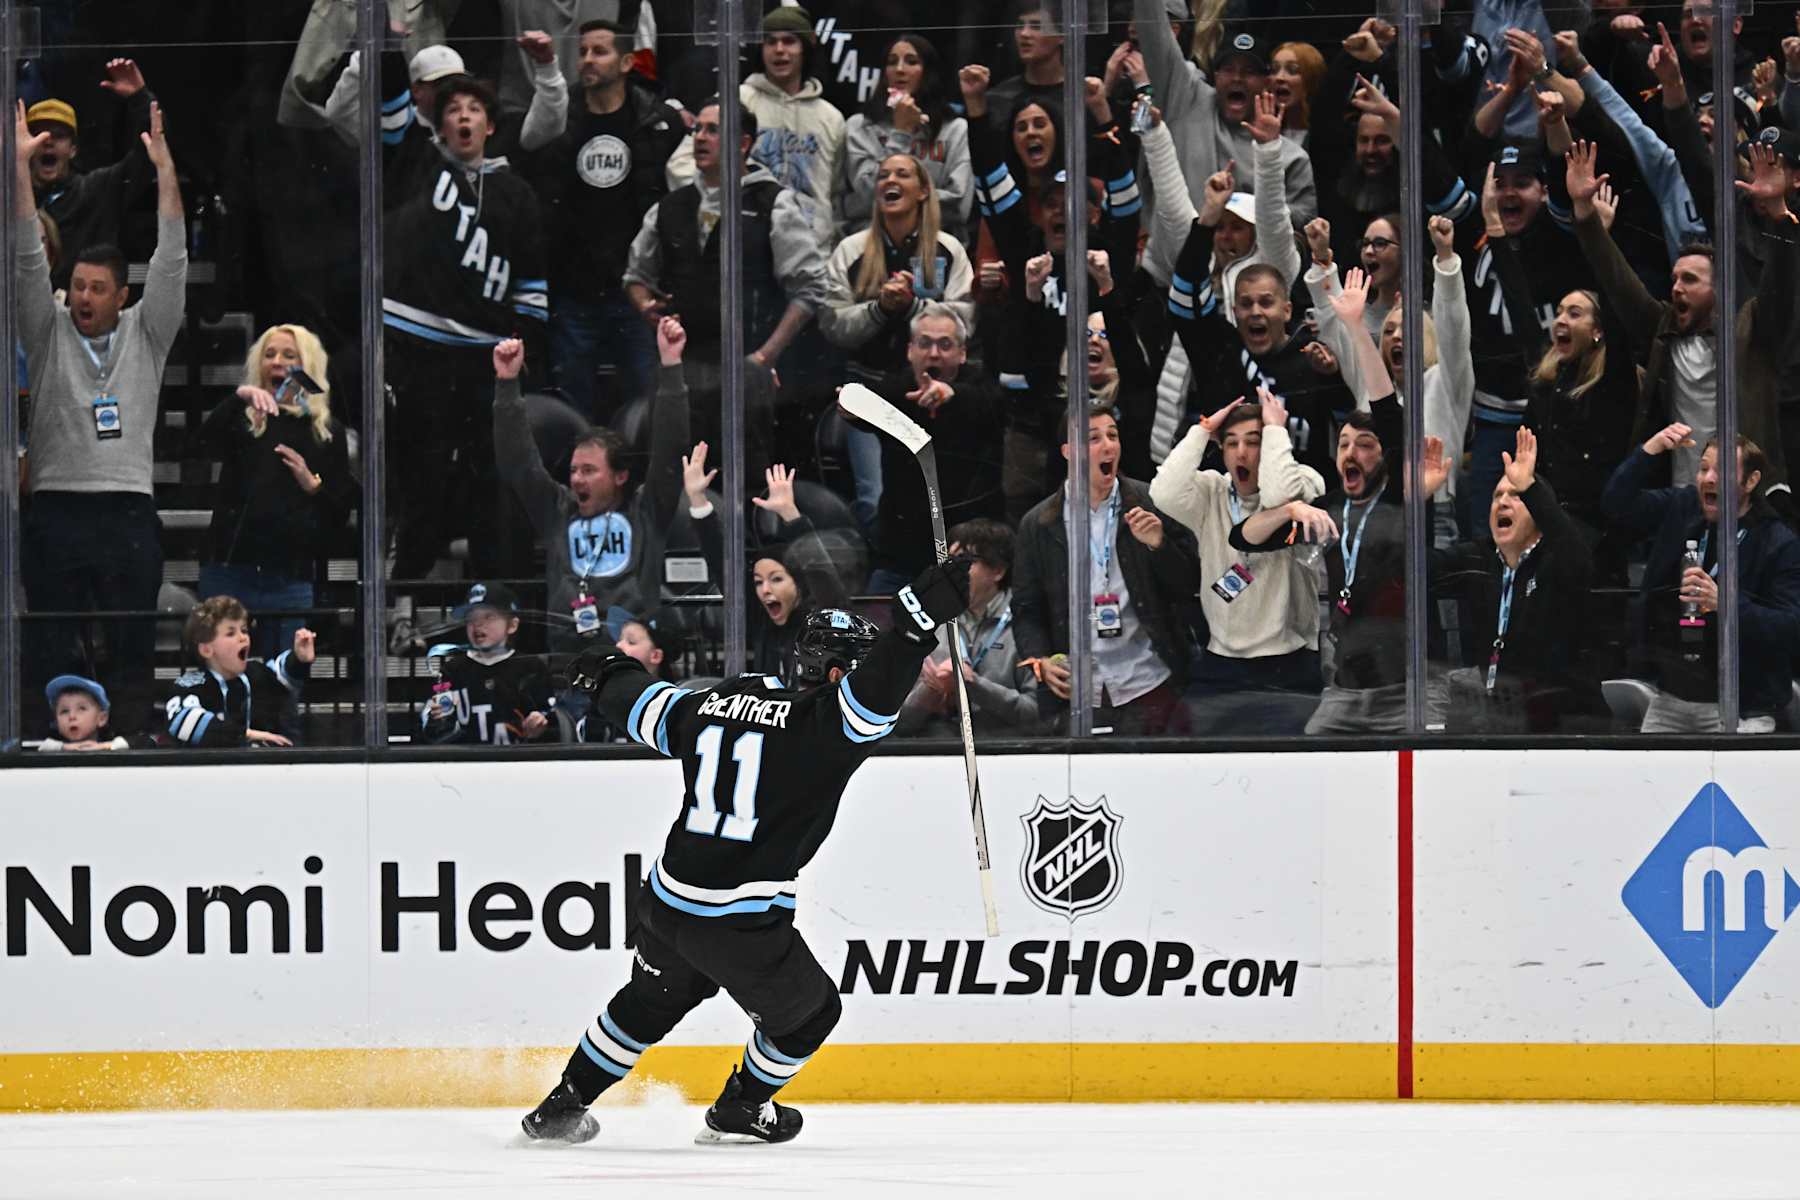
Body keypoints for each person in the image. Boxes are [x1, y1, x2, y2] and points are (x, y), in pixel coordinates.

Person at [519, 559, 972, 1146]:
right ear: (837, 675)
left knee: (651, 1000)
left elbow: (645, 704)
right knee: (812, 1016)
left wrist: (609, 675)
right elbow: (877, 692)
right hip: (735, 919)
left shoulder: (719, 700)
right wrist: (913, 626)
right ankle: (742, 1105)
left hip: (664, 902)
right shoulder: (823, 731)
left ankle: (562, 1104)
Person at [15, 97, 185, 737]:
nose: (82, 296)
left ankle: (131, 740)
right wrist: (18, 169)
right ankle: (49, 741)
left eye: (96, 288)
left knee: (132, 643)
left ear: (122, 296)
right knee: (53, 641)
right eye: (77, 285)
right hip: (56, 507)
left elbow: (172, 256)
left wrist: (165, 166)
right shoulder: (47, 326)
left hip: (126, 509)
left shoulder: (149, 332)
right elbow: (27, 256)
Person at [379, 55, 547, 584]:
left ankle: (492, 595)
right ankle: (403, 588)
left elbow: (531, 284)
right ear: (441, 122)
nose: (465, 118)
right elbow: (389, 105)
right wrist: (389, 37)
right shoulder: (417, 166)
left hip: (486, 359)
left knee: (490, 479)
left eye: (476, 109)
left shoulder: (517, 194)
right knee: (421, 472)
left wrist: (524, 355)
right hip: (419, 350)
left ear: (491, 125)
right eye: (454, 109)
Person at [1568, 139, 1793, 498]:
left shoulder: (1752, 327)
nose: (1676, 288)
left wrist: (1779, 212)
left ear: (1720, 288)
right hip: (1682, 499)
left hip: (1747, 498)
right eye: (1674, 279)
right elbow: (1617, 280)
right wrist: (1584, 212)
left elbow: (1782, 283)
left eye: (1689, 280)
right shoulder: (1663, 329)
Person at [624, 97, 827, 464]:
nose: (700, 138)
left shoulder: (774, 204)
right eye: (697, 129)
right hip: (680, 369)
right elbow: (635, 276)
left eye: (713, 130)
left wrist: (764, 358)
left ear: (743, 143)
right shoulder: (671, 206)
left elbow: (809, 289)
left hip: (744, 369)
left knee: (744, 481)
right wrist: (645, 307)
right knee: (672, 476)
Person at [490, 322, 690, 656]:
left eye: (589, 470)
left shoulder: (647, 510)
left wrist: (671, 368)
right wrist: (507, 385)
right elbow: (519, 464)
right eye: (573, 470)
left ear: (620, 476)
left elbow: (671, 449)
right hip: (570, 658)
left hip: (629, 655)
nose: (577, 479)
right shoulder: (558, 512)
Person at [526, 19, 686, 423]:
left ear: (628, 61)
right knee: (573, 416)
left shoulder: (656, 121)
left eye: (600, 51)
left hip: (635, 295)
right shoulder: (563, 117)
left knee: (649, 414)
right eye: (582, 52)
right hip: (574, 293)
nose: (587, 61)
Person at [1013, 402, 1199, 736]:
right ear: (1068, 451)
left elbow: (1187, 586)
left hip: (1149, 680)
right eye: (1093, 438)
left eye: (1112, 435)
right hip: (1078, 691)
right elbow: (1026, 610)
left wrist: (1159, 546)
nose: (1108, 445)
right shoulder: (1039, 524)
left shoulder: (1151, 501)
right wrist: (1040, 661)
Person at [1601, 425, 1800, 733]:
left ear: (1751, 481)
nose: (1708, 478)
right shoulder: (1683, 508)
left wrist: (1726, 604)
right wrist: (1651, 450)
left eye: (1721, 471)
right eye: (1704, 468)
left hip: (1741, 704)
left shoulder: (1778, 542)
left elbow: (1789, 626)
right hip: (1673, 696)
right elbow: (1616, 504)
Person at [1150, 389, 1327, 720]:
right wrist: (1203, 430)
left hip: (1287, 660)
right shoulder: (1209, 492)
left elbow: (1279, 496)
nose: (1242, 453)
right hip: (1222, 660)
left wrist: (1275, 428)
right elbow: (1162, 492)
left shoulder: (1304, 480)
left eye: (1254, 441)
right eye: (1231, 443)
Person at [1420, 429, 1608, 733]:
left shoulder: (1555, 558)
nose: (1503, 502)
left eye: (1516, 496)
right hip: (1504, 721)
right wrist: (1417, 503)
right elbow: (1414, 571)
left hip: (1570, 727)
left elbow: (1577, 559)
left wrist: (1531, 489)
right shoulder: (1479, 557)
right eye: (1497, 496)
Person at [194, 324, 354, 661]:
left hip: (289, 577)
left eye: (288, 355)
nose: (277, 361)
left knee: (282, 684)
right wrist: (239, 397)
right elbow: (198, 446)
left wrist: (313, 485)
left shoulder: (325, 432)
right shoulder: (242, 419)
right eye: (269, 354)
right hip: (230, 570)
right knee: (221, 681)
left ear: (306, 364)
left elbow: (339, 514)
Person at [665, 6, 847, 240]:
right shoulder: (734, 100)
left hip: (811, 249)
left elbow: (836, 197)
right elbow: (680, 166)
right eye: (770, 42)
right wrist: (718, 207)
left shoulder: (831, 118)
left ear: (805, 48)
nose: (779, 50)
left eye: (789, 41)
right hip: (745, 246)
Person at [1130, 1, 1317, 225]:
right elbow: (1155, 36)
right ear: (1215, 76)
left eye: (1249, 72)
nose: (1237, 78)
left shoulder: (1290, 157)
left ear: (1266, 83)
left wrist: (1245, 208)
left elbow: (1306, 223)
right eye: (1228, 69)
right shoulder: (1189, 101)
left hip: (1253, 258)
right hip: (1179, 256)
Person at [860, 304, 1002, 592]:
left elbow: (994, 405)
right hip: (900, 554)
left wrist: (953, 395)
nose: (934, 353)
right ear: (910, 350)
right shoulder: (896, 388)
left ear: (962, 353)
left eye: (945, 345)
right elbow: (861, 405)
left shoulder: (981, 389)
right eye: (925, 344)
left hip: (965, 556)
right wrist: (849, 404)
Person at [898, 518, 1039, 736]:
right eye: (950, 561)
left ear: (998, 570)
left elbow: (1035, 714)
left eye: (964, 561)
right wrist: (928, 692)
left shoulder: (1026, 623)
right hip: (939, 752)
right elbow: (898, 723)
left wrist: (974, 684)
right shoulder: (930, 623)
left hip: (1009, 754)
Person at [24, 59, 156, 290]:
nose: (48, 142)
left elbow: (151, 154)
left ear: (73, 150)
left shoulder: (96, 190)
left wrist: (140, 99)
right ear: (26, 145)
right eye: (39, 134)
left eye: (59, 135)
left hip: (84, 321)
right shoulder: (13, 201)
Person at [839, 33, 972, 240]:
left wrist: (891, 201)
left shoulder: (955, 129)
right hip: (872, 245)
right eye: (892, 62)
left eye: (911, 61)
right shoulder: (859, 126)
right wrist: (900, 133)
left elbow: (958, 204)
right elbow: (866, 194)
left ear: (928, 71)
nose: (899, 69)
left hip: (936, 245)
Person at [164, 596, 316, 748]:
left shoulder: (255, 672)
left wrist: (299, 659)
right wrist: (247, 735)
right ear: (206, 649)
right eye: (231, 633)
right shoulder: (191, 684)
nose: (243, 637)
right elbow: (181, 722)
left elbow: (282, 673)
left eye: (244, 630)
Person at [421, 582, 555, 746]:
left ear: (512, 625)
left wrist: (539, 724)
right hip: (466, 764)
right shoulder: (452, 670)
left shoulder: (531, 667)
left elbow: (552, 722)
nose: (478, 624)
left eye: (489, 617)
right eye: (471, 618)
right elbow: (432, 732)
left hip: (519, 764)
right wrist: (438, 721)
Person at [35, 674, 151, 752]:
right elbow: (44, 747)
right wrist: (66, 747)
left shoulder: (111, 744)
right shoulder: (54, 748)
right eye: (64, 711)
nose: (72, 716)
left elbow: (145, 741)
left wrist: (106, 746)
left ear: (102, 719)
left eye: (81, 709)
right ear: (56, 721)